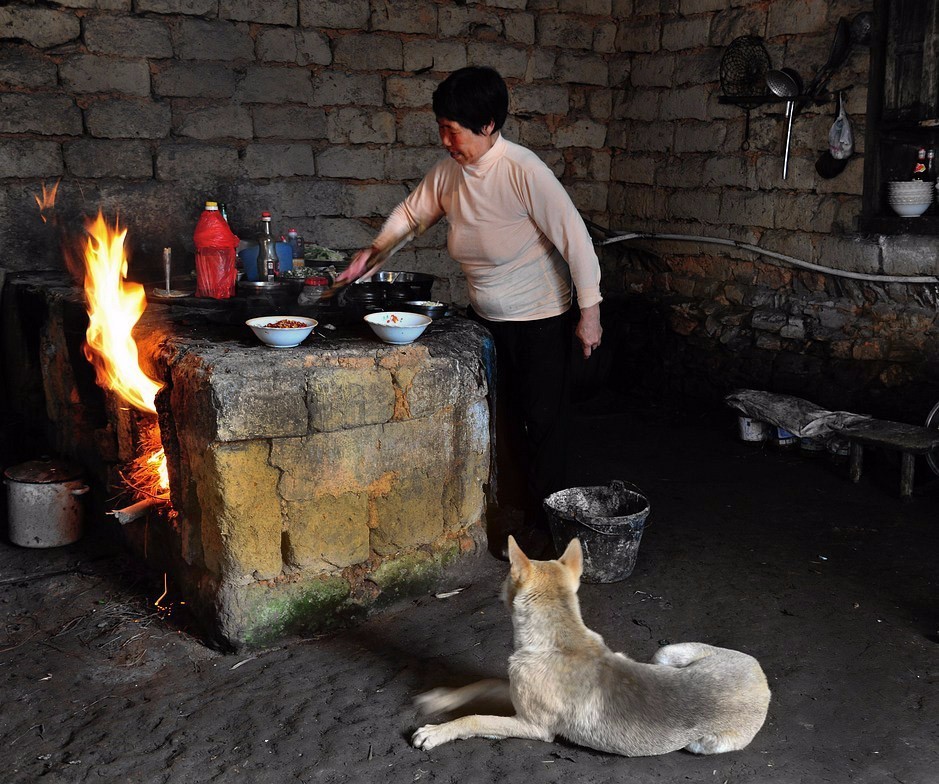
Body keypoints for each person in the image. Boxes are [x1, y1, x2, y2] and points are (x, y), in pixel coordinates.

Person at [338, 66, 602, 558]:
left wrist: (591, 314)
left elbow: (576, 241)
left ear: (487, 125)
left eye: (452, 129)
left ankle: (548, 528)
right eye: (440, 127)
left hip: (540, 317)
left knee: (543, 422)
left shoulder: (524, 171)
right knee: (504, 422)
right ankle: (518, 517)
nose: (445, 140)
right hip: (486, 317)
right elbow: (411, 215)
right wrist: (371, 254)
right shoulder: (449, 174)